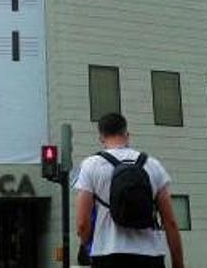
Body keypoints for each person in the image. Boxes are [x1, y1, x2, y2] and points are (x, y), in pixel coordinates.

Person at [74, 113, 185, 268]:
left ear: (101, 137)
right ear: (127, 135)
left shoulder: (91, 166)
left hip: (107, 255)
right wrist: (178, 264)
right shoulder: (152, 165)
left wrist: (85, 245)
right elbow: (170, 222)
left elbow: (82, 223)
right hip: (150, 256)